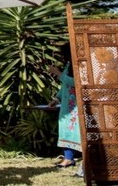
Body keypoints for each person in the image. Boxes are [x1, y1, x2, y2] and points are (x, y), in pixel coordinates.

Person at [48, 42, 82, 172]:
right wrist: (56, 98)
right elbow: (65, 86)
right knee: (66, 130)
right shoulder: (69, 65)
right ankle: (68, 159)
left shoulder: (81, 64)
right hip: (67, 106)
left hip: (77, 106)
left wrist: (58, 73)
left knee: (77, 131)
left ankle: (81, 159)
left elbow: (77, 83)